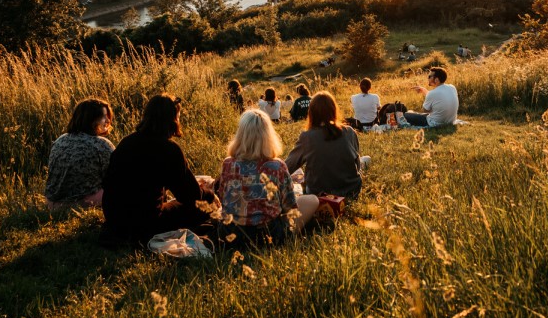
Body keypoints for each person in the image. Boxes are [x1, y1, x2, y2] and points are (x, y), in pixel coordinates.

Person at [102, 94, 214, 243]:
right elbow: (190, 196)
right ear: (173, 119)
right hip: (147, 224)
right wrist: (206, 191)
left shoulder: (126, 142)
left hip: (115, 220)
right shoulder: (169, 149)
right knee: (208, 199)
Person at [216, 109, 319, 248]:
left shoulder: (228, 163)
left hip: (232, 236)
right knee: (312, 200)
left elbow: (223, 199)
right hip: (269, 236)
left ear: (240, 135)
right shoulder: (276, 166)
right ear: (268, 135)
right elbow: (290, 207)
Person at [286, 91, 369, 199]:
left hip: (320, 194)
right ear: (334, 110)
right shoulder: (349, 131)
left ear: (311, 112)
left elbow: (287, 167)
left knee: (298, 171)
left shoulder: (307, 136)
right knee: (366, 159)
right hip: (351, 191)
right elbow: (356, 163)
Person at [45, 98, 115, 210]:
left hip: (52, 203)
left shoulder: (60, 140)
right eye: (104, 116)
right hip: (81, 204)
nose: (107, 120)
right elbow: (115, 176)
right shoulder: (101, 144)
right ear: (92, 120)